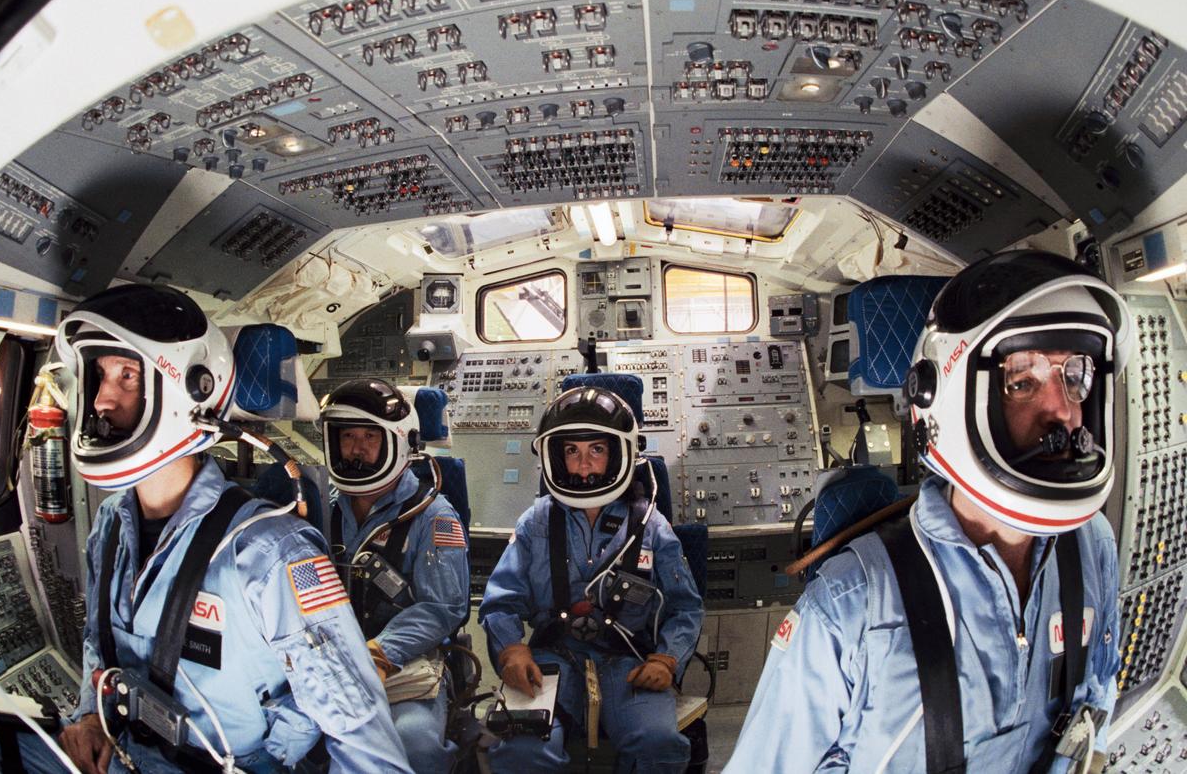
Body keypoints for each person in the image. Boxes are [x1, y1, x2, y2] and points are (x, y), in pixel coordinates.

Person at [0, 284, 411, 773]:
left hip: (224, 763)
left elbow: (359, 730)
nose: (100, 401)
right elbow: (100, 645)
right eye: (98, 375)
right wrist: (92, 715)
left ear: (191, 390)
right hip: (123, 749)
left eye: (128, 375)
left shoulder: (271, 552)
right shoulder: (111, 527)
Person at [725, 251, 1131, 773]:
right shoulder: (848, 607)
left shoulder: (1091, 544)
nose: (1064, 410)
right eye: (1023, 381)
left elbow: (1094, 702)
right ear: (951, 397)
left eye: (1074, 376)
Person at [479, 386, 703, 774]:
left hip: (627, 661)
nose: (583, 466)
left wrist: (667, 659)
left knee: (659, 745)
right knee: (520, 750)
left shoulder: (651, 526)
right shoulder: (535, 523)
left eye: (596, 450)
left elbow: (685, 606)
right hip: (552, 657)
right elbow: (502, 601)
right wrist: (511, 649)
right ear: (556, 457)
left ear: (617, 454)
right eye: (572, 452)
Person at [320, 378, 469, 773]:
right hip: (329, 661)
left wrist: (382, 652)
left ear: (399, 440)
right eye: (347, 436)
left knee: (414, 745)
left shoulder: (433, 515)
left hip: (406, 664)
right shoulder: (322, 510)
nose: (356, 448)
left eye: (369, 436)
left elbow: (443, 608)